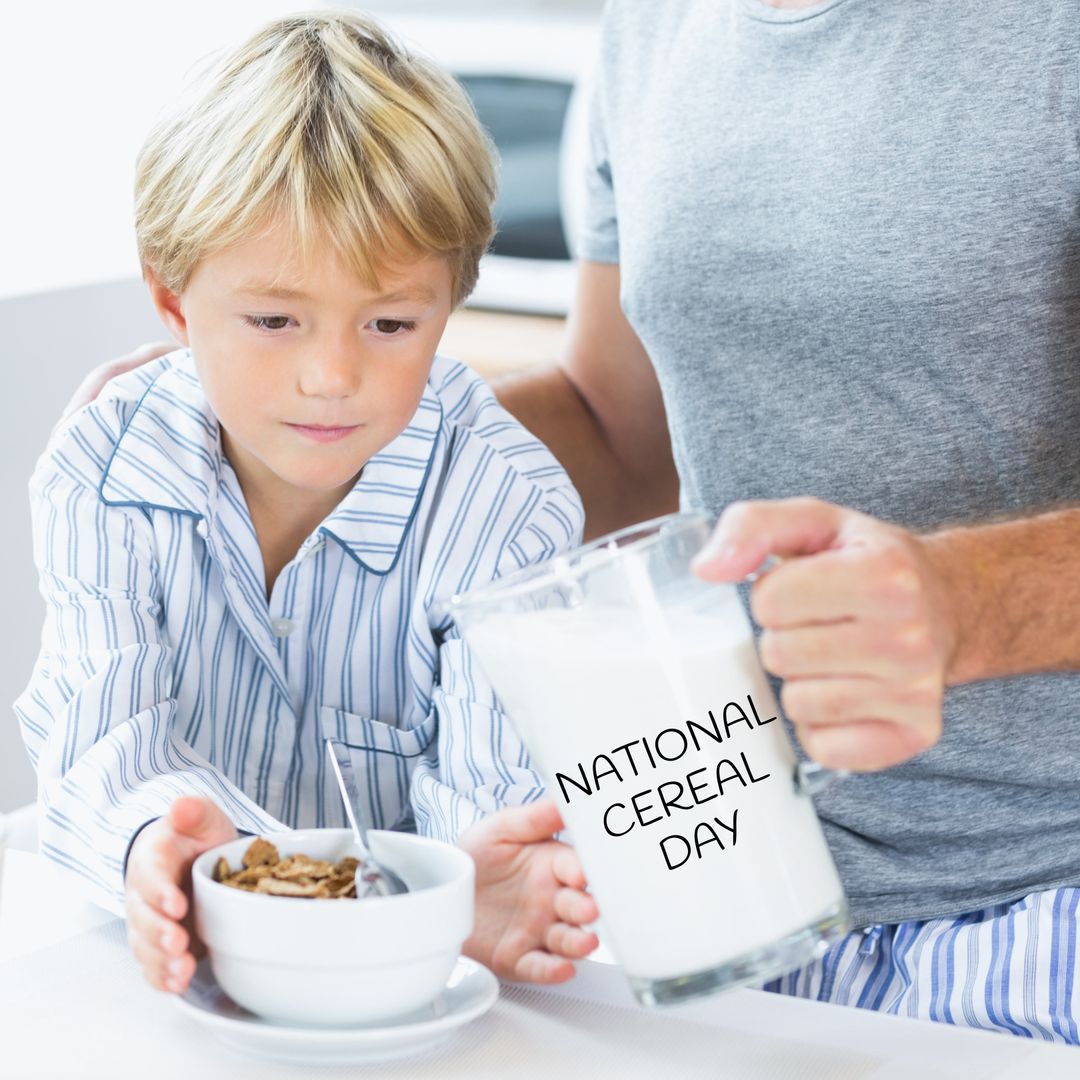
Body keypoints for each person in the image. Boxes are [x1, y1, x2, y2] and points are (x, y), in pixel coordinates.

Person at [65, 0, 1080, 1041]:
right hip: (721, 882)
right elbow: (615, 428)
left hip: (1042, 898)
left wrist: (975, 599)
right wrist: (286, 433)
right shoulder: (654, 30)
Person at [13, 11, 600, 998]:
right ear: (171, 303)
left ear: (450, 303)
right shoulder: (105, 468)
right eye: (275, 319)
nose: (331, 375)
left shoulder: (506, 506)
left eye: (391, 322)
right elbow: (94, 749)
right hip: (157, 977)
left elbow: (489, 820)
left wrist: (473, 891)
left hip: (400, 986)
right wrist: (150, 846)